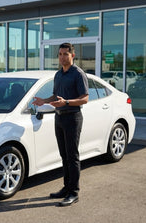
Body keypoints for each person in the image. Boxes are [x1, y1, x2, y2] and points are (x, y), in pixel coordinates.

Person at [32, 43, 89, 207]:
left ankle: (74, 192)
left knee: (72, 156)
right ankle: (66, 188)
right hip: (59, 118)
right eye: (60, 54)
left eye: (65, 54)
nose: (62, 57)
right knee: (64, 156)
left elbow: (85, 98)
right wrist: (44, 101)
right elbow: (56, 96)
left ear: (72, 55)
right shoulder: (58, 75)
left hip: (73, 118)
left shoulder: (78, 74)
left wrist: (67, 102)